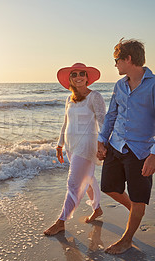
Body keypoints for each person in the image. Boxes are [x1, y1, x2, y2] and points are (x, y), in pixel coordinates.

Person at [97, 38, 155, 254]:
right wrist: (102, 140)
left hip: (141, 151)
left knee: (139, 197)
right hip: (116, 145)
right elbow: (112, 114)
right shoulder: (119, 85)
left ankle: (127, 238)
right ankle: (135, 211)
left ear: (128, 59)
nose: (115, 65)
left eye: (117, 60)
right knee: (109, 187)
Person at [44, 63, 106, 236]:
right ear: (70, 79)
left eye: (82, 74)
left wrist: (103, 144)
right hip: (71, 145)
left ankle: (61, 222)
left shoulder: (95, 96)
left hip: (87, 145)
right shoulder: (69, 99)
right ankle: (97, 208)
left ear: (87, 77)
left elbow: (103, 121)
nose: (78, 77)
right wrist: (59, 144)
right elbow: (66, 122)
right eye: (74, 74)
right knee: (88, 179)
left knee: (73, 183)